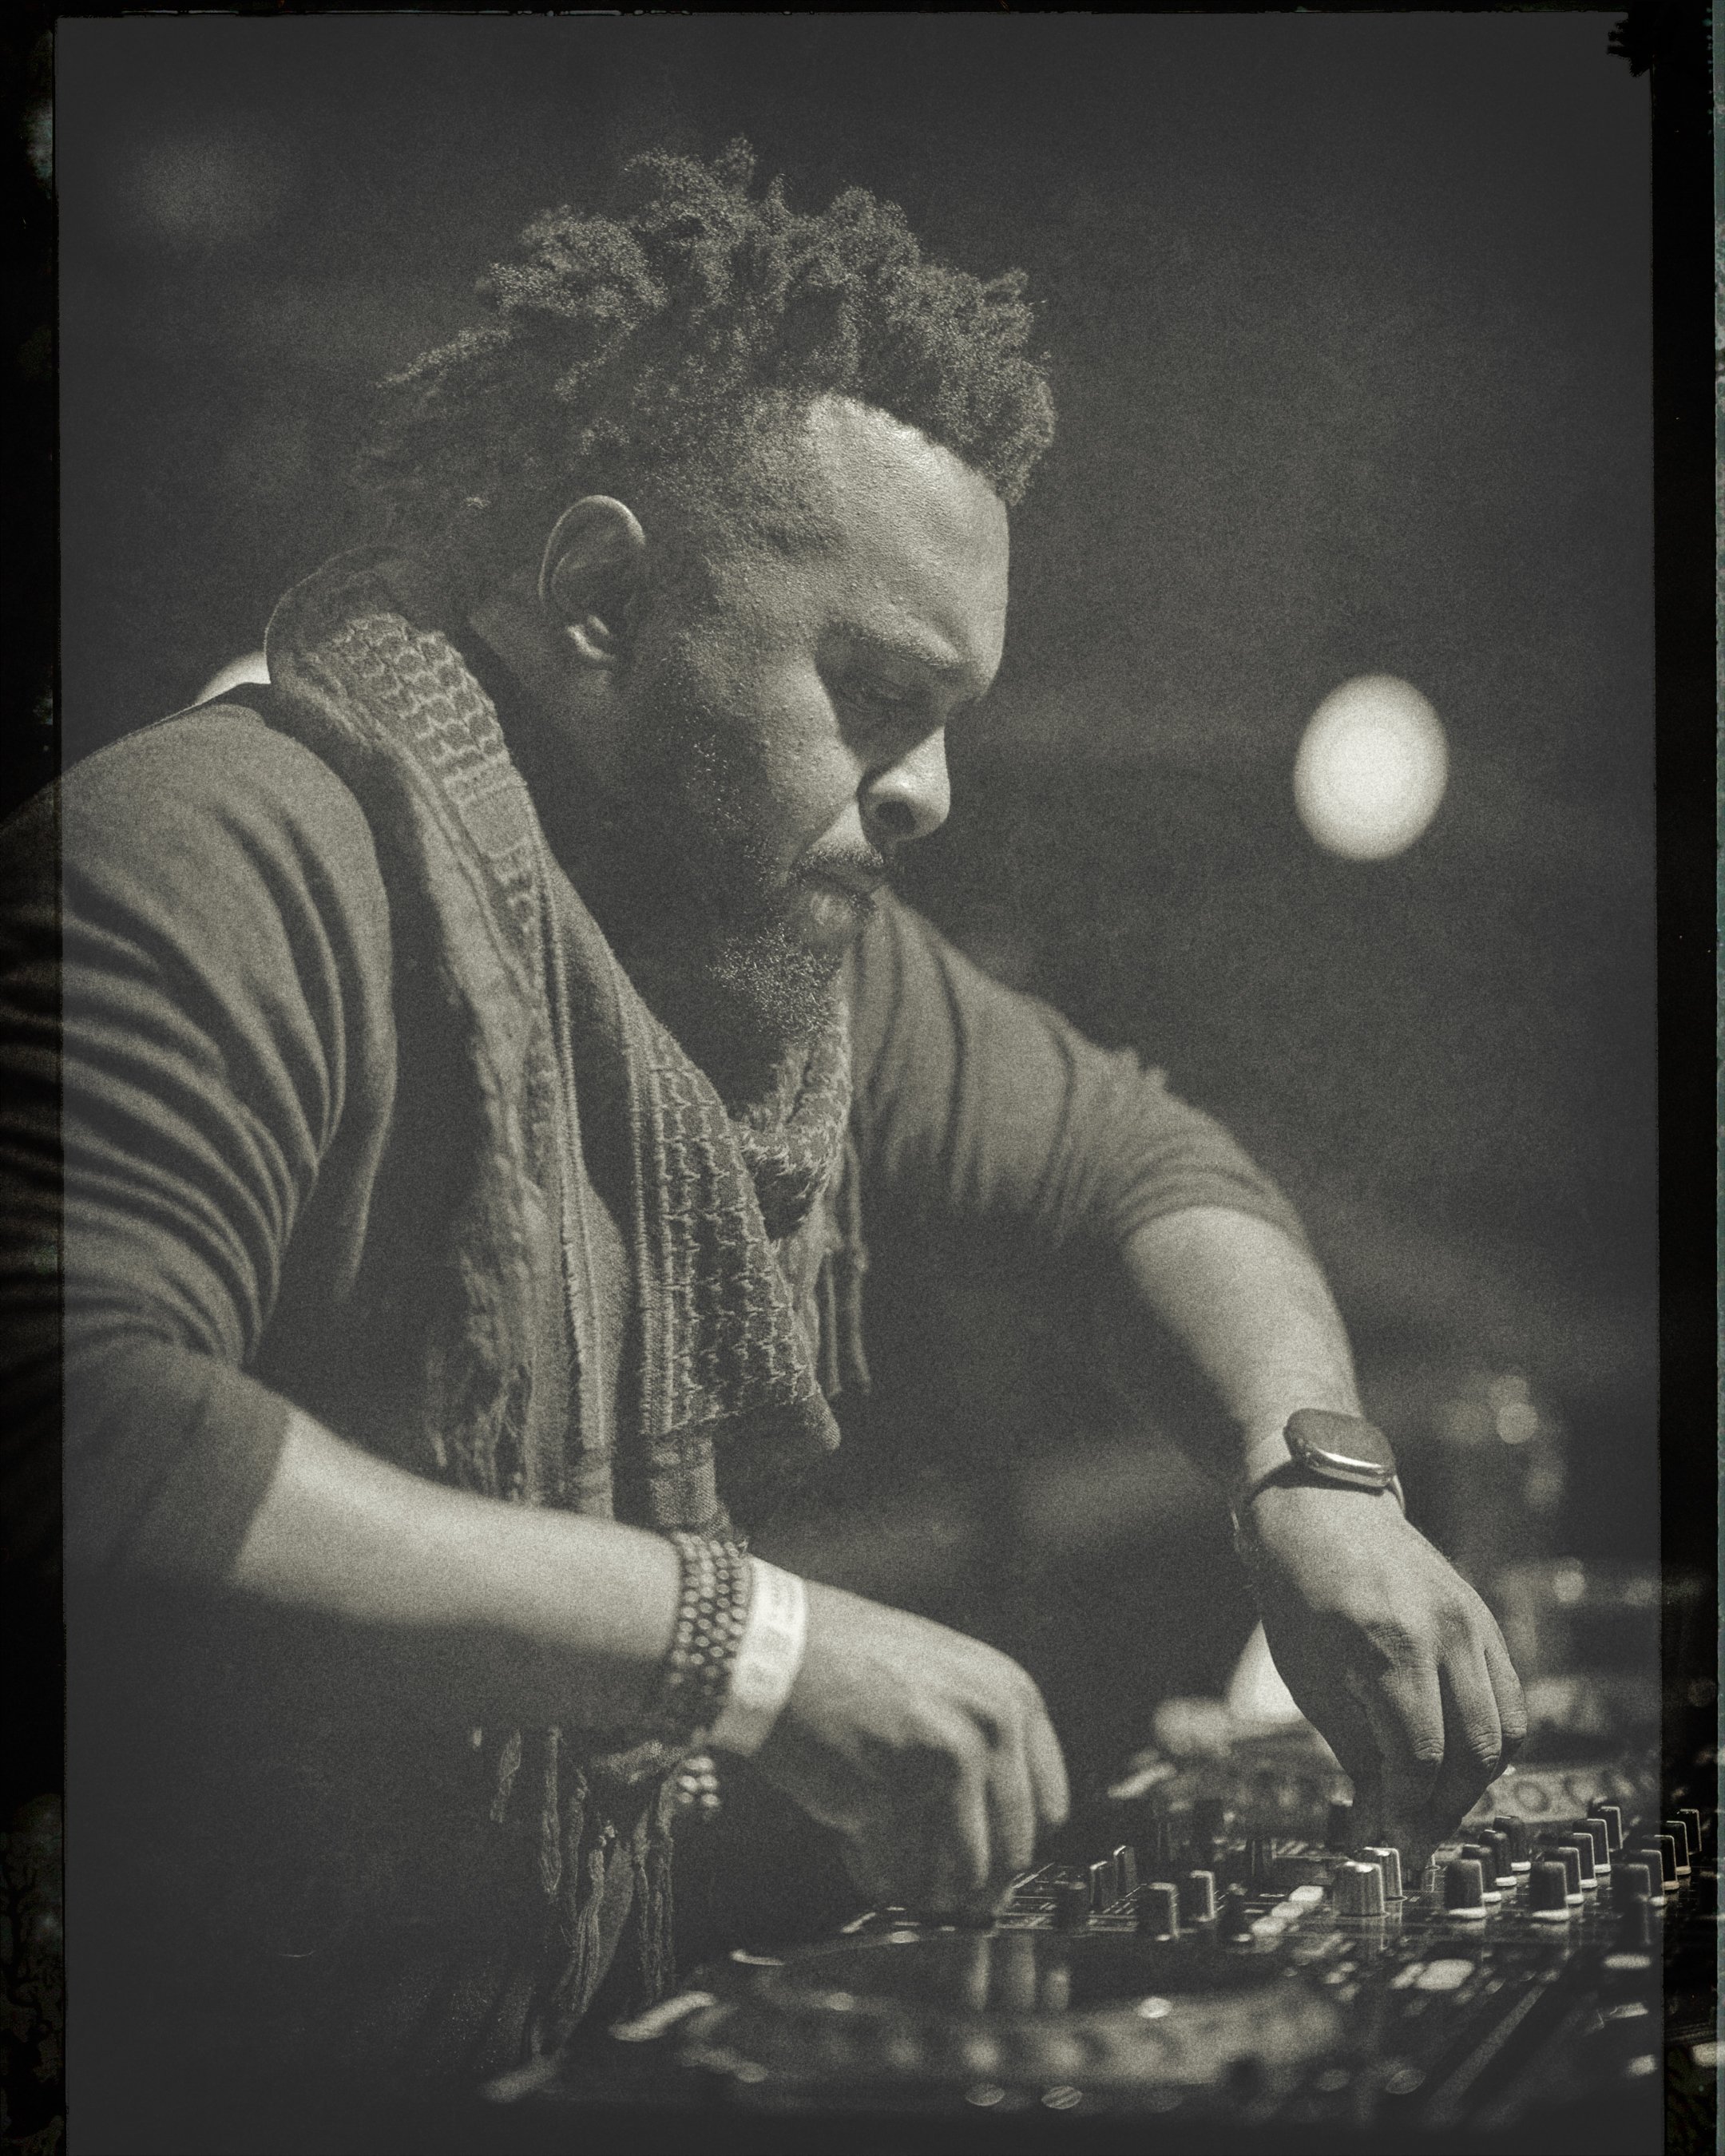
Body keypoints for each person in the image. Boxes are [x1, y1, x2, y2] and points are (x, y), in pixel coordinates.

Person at [6, 142, 1525, 2144]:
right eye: (879, 696)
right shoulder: (218, 852)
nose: (935, 794)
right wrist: (745, 1646)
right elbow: (75, 1432)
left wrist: (1312, 1478)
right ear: (604, 598)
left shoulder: (755, 951)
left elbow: (1141, 1173)